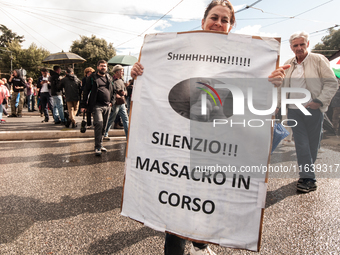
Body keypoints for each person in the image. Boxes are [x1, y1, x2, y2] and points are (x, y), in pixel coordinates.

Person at [131, 1, 289, 255]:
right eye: (214, 17)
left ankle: (200, 245)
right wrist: (140, 73)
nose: (218, 23)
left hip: (217, 144)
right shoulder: (176, 52)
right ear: (203, 21)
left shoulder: (247, 61)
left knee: (207, 195)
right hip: (178, 141)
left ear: (231, 26)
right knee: (178, 199)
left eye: (225, 20)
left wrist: (271, 84)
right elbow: (159, 88)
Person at [277, 31, 338, 193]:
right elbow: (281, 86)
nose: (299, 48)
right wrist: (277, 104)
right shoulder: (288, 63)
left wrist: (319, 101)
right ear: (291, 47)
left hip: (313, 110)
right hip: (293, 111)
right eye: (295, 45)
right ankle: (308, 179)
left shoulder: (318, 60)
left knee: (312, 145)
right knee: (301, 144)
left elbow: (331, 83)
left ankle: (307, 175)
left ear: (307, 45)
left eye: (302, 44)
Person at [81, 60, 115, 156]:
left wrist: (112, 102)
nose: (103, 67)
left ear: (106, 68)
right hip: (96, 105)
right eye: (101, 66)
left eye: (104, 66)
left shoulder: (109, 77)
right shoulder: (92, 78)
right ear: (97, 67)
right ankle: (97, 147)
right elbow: (86, 91)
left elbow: (114, 91)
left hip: (107, 106)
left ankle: (100, 144)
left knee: (104, 126)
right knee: (99, 123)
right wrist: (83, 105)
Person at [103, 64, 129, 140]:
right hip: (115, 103)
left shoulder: (122, 80)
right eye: (121, 71)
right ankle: (105, 133)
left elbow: (125, 89)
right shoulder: (111, 80)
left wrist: (125, 92)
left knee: (126, 119)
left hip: (122, 103)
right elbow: (109, 91)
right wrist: (115, 95)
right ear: (117, 72)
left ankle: (128, 137)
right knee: (111, 119)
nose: (123, 72)